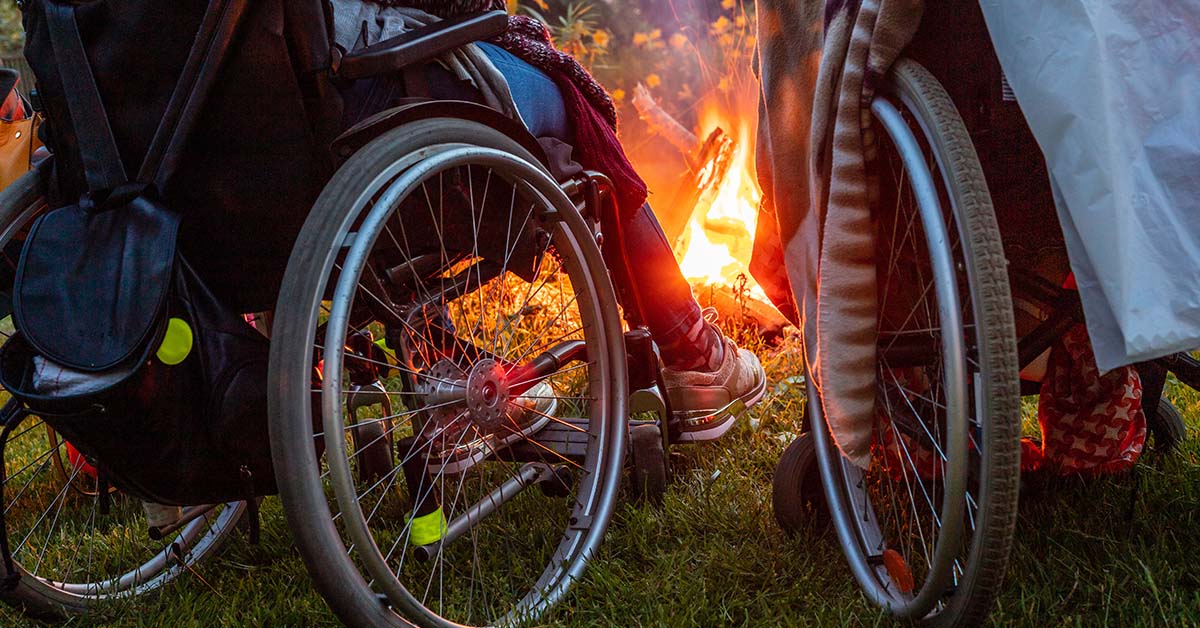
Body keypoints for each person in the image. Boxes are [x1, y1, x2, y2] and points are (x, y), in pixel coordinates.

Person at [335, 0, 766, 443]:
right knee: (574, 104)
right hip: (373, 86)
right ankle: (693, 351)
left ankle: (443, 372)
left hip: (303, 154)